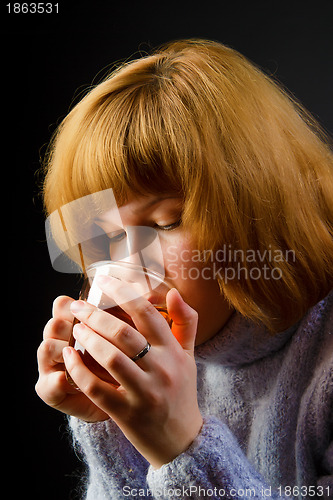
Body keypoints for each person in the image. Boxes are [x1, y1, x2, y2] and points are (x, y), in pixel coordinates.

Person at [36, 39, 333, 499]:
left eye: (166, 221)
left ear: (264, 208)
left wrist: (181, 447)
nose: (127, 264)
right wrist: (112, 418)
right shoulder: (154, 356)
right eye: (105, 235)